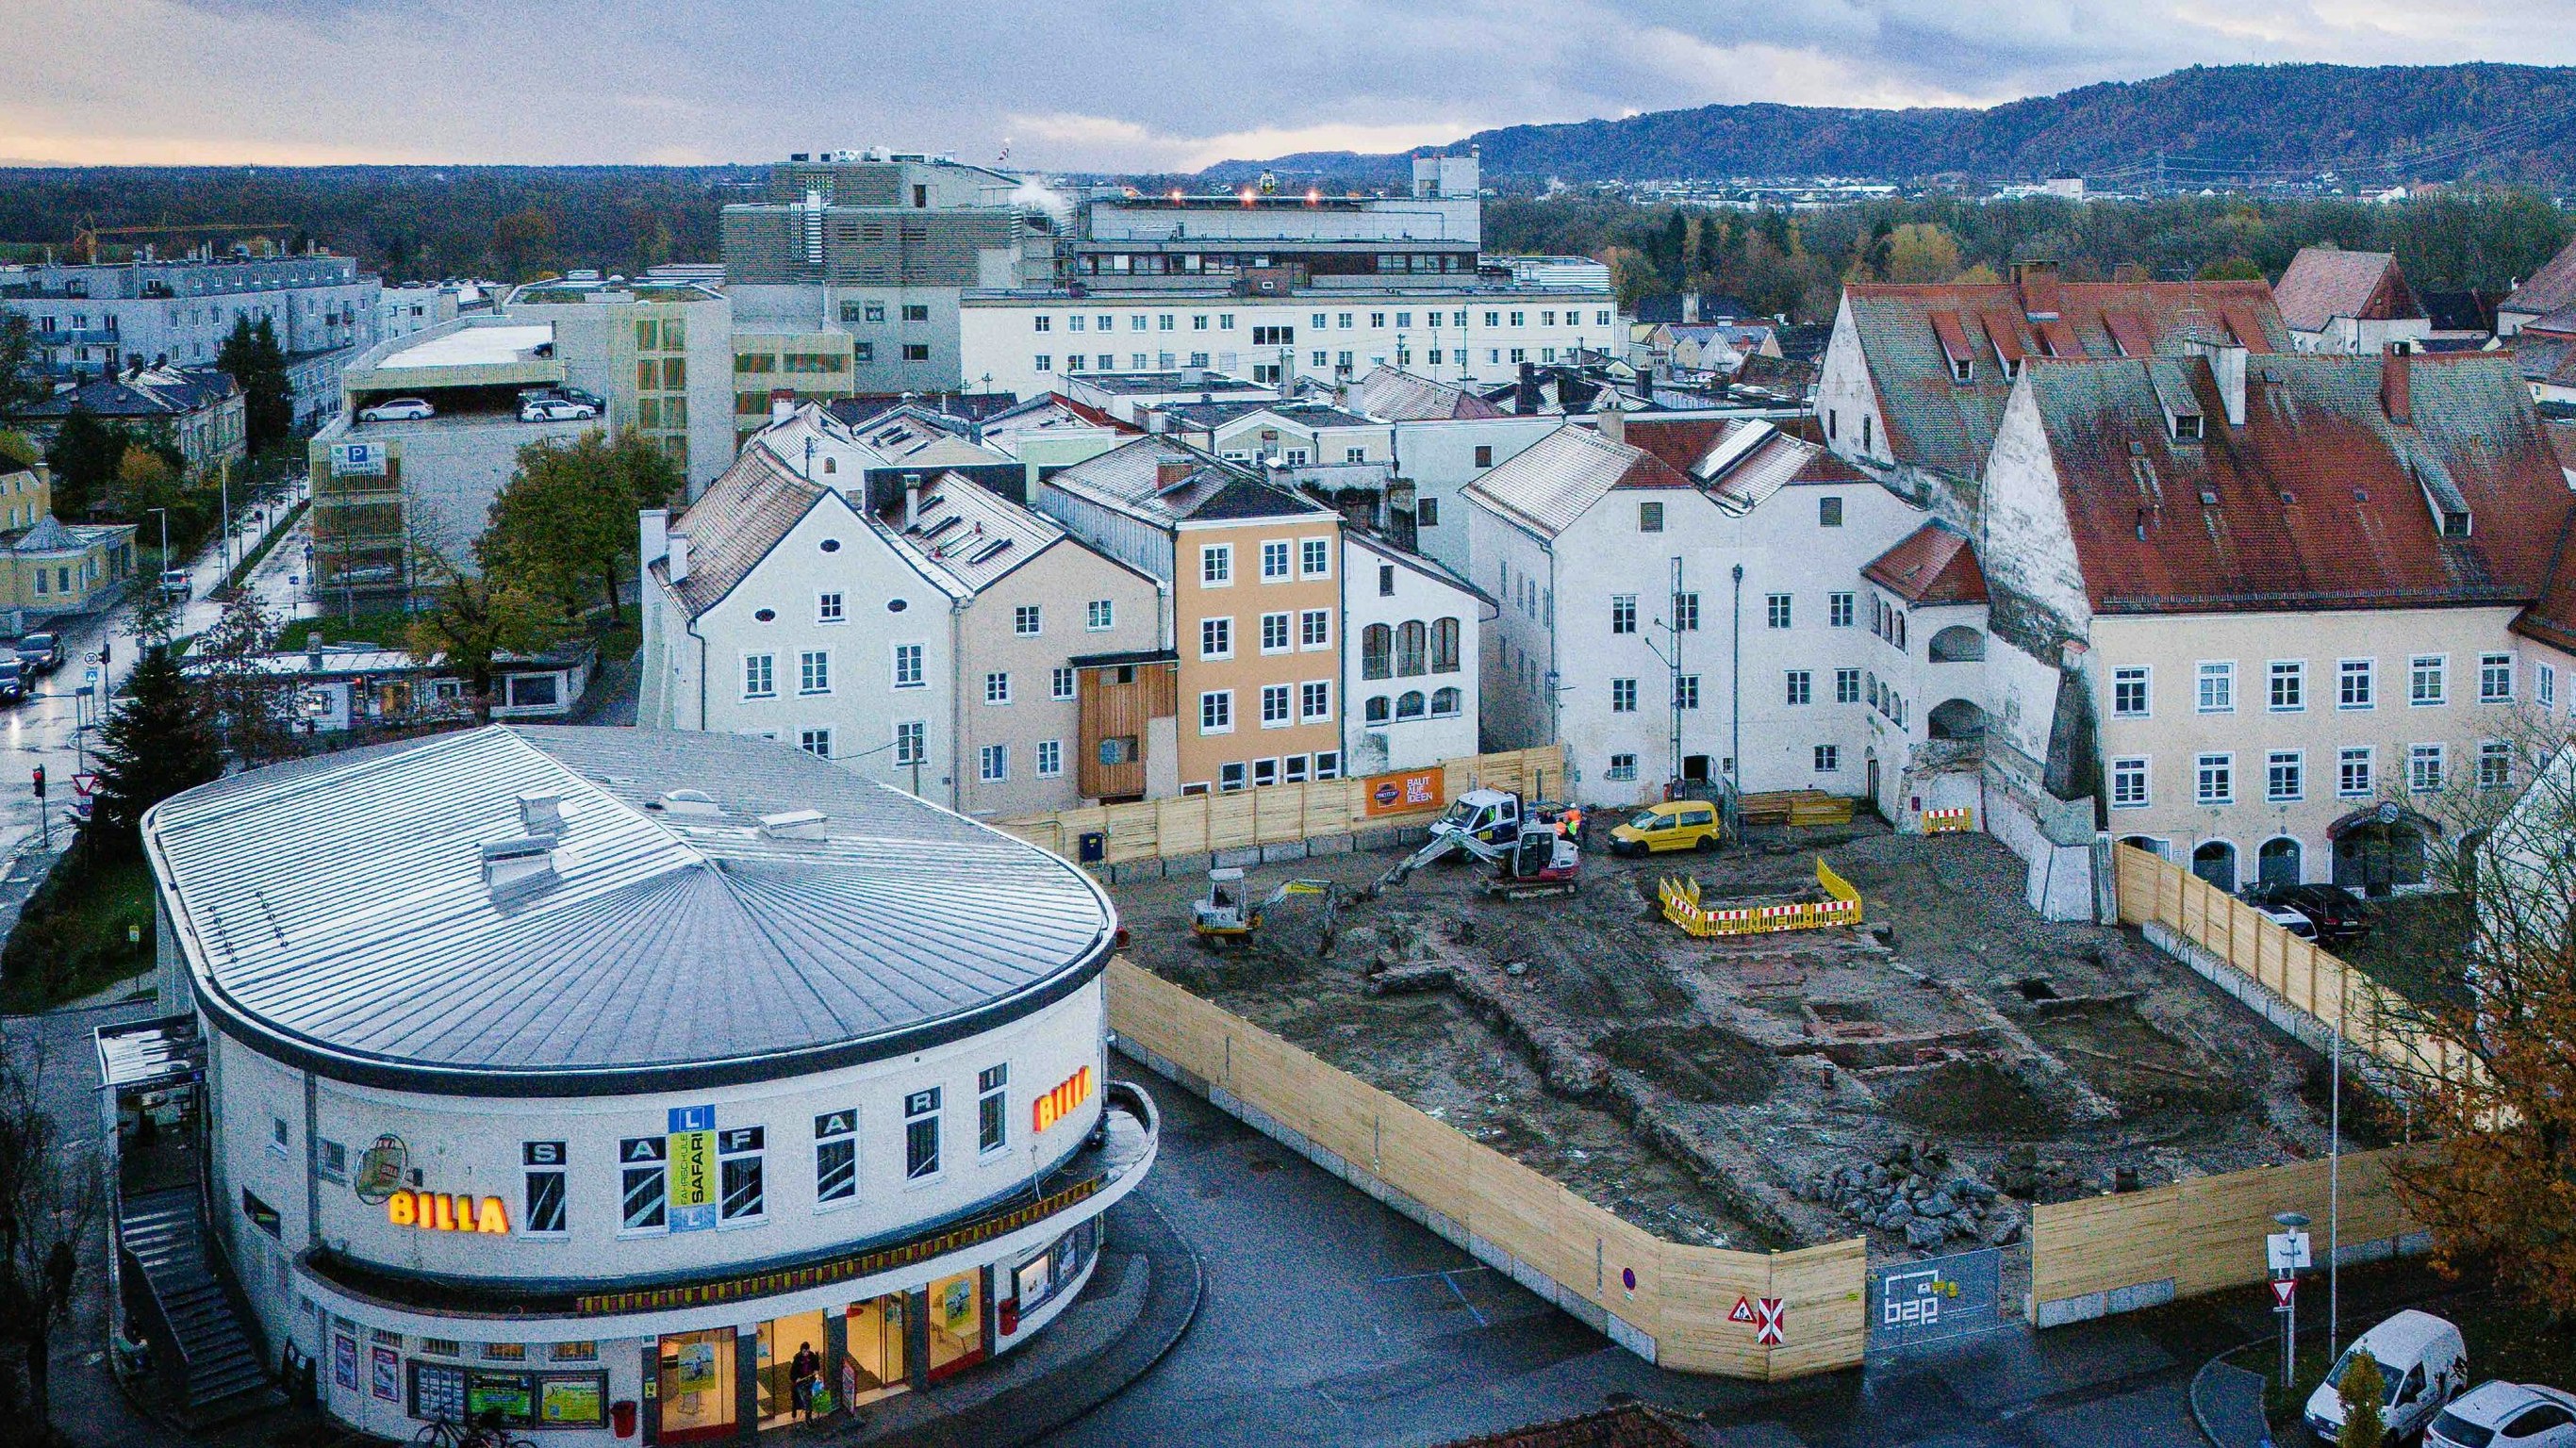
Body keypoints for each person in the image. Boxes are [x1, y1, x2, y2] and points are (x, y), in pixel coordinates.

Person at [789, 1341, 821, 1420]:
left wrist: (816, 1370)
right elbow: (792, 1373)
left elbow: (816, 1365)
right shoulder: (797, 1359)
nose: (806, 1353)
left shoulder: (812, 1356)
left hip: (810, 1379)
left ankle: (810, 1413)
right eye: (804, 1351)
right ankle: (807, 1414)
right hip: (801, 1382)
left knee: (816, 1392)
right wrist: (797, 1378)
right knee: (806, 1397)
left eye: (807, 1351)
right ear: (801, 1351)